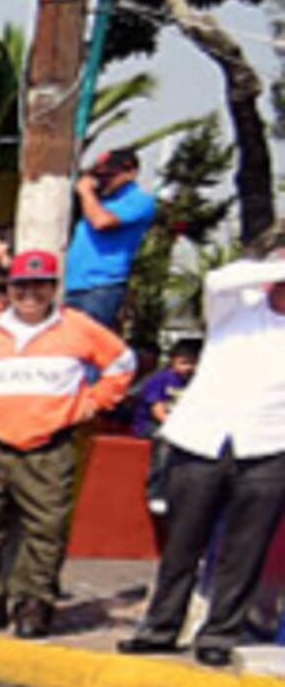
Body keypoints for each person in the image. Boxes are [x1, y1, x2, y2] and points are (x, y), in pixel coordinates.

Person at [0, 248, 132, 637]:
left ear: (53, 288)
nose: (31, 294)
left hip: (50, 442)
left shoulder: (77, 327)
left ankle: (33, 605)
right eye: (23, 285)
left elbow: (122, 363)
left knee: (45, 529)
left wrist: (95, 402)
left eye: (40, 285)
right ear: (10, 288)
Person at [120, 259, 285, 664]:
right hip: (203, 439)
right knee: (182, 542)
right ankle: (159, 627)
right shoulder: (236, 307)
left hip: (269, 444)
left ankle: (219, 634)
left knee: (245, 548)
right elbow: (218, 278)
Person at [64, 148, 158, 336]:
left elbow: (102, 222)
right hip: (73, 285)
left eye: (110, 176)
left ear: (130, 173)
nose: (104, 181)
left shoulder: (140, 200)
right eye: (100, 175)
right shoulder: (98, 200)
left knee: (89, 342)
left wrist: (86, 193)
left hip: (100, 287)